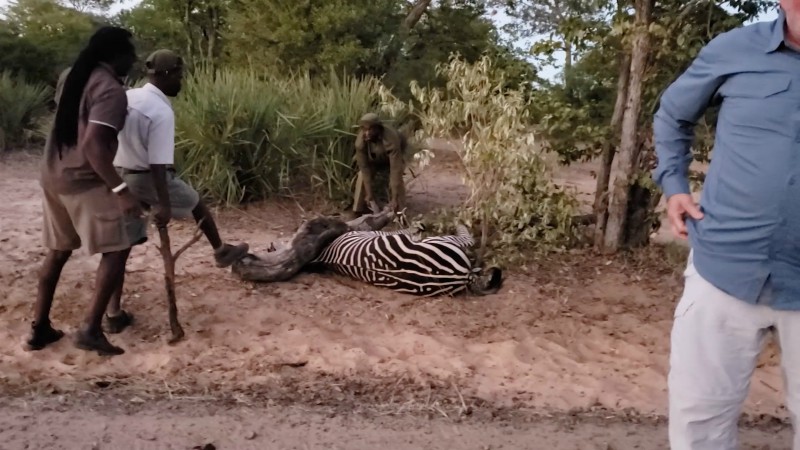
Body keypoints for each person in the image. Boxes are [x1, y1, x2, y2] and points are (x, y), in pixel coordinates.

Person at [653, 4, 800, 449]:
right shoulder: (735, 48)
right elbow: (673, 115)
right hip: (723, 266)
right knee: (699, 425)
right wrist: (674, 184)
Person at [108, 49, 249, 332]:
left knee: (119, 250)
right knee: (196, 202)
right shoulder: (160, 110)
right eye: (179, 75)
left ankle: (112, 313)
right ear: (165, 74)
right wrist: (163, 204)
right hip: (147, 177)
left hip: (119, 177)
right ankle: (220, 250)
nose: (181, 82)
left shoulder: (130, 96)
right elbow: (159, 165)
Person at [27, 26, 143, 356]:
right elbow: (93, 145)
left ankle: (40, 328)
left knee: (58, 251)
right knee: (119, 248)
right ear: (115, 55)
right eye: (129, 54)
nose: (132, 60)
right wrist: (121, 189)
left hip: (53, 173)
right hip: (83, 180)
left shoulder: (72, 75)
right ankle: (91, 329)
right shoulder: (110, 90)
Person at [352, 113, 407, 215]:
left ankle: (400, 211)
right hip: (374, 160)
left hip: (392, 159)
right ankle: (358, 210)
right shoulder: (360, 142)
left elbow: (396, 170)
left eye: (370, 130)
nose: (367, 133)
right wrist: (369, 194)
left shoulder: (391, 139)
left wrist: (394, 197)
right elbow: (365, 169)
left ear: (378, 129)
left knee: (397, 179)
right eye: (364, 130)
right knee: (361, 176)